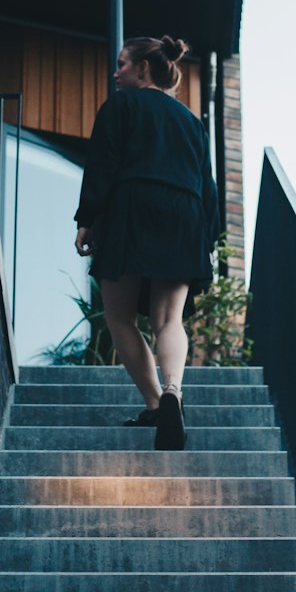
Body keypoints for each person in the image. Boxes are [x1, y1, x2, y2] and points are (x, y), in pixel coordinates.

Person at [74, 35, 220, 451]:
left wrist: (88, 220)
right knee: (169, 320)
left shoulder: (120, 106)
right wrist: (205, 239)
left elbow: (102, 165)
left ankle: (155, 404)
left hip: (131, 210)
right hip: (184, 217)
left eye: (122, 65)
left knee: (119, 316)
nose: (115, 72)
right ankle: (173, 390)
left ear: (143, 69)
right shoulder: (193, 123)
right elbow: (207, 188)